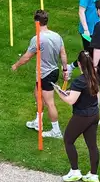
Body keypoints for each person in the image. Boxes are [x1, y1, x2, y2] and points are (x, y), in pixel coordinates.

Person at [11, 10, 68, 139]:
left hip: (45, 74)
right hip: (52, 71)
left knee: (49, 102)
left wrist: (16, 65)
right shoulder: (57, 36)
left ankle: (56, 130)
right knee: (37, 94)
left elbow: (27, 57)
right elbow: (63, 54)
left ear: (36, 22)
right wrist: (65, 70)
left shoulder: (38, 38)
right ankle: (38, 121)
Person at [54, 51, 100, 182]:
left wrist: (59, 93)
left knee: (68, 140)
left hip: (82, 115)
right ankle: (93, 174)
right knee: (92, 145)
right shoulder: (94, 76)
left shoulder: (79, 81)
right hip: (94, 114)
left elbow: (71, 101)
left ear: (79, 64)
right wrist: (71, 92)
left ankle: (75, 171)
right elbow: (88, 93)